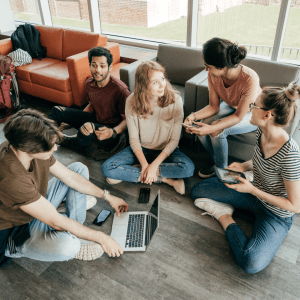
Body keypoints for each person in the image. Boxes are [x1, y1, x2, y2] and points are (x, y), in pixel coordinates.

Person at [191, 83, 300, 273]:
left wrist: (252, 190)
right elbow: (261, 160)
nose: (250, 109)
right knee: (198, 190)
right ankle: (232, 204)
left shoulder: (290, 155)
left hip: (275, 213)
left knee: (251, 262)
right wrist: (244, 165)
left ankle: (223, 215)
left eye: (254, 106)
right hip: (253, 192)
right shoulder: (262, 131)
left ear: (267, 115)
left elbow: (294, 206)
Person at [0, 109, 129, 268]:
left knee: (78, 169)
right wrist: (101, 237)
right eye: (50, 147)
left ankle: (72, 228)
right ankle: (17, 248)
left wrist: (108, 196)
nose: (55, 149)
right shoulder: (11, 177)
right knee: (69, 247)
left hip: (32, 204)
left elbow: (70, 177)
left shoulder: (25, 144)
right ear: (29, 149)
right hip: (17, 230)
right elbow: (55, 222)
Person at [101, 61, 195, 194]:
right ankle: (165, 179)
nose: (163, 85)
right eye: (155, 82)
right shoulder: (131, 101)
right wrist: (146, 166)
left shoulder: (176, 100)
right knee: (107, 168)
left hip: (166, 150)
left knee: (188, 169)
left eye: (162, 78)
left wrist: (154, 165)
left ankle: (136, 172)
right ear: (143, 85)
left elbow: (174, 141)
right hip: (142, 148)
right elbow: (133, 140)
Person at [184, 37, 261, 178]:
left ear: (222, 66)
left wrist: (212, 128)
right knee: (201, 127)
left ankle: (223, 171)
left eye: (208, 66)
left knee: (216, 130)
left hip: (253, 112)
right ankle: (217, 162)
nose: (206, 69)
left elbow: (239, 116)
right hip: (232, 105)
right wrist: (193, 116)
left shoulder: (249, 78)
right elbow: (214, 107)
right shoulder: (213, 75)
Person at [48, 47, 131, 151]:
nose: (97, 70)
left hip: (112, 131)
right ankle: (47, 139)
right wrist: (73, 121)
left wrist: (112, 132)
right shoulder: (89, 83)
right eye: (94, 65)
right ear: (90, 66)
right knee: (57, 110)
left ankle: (65, 141)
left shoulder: (120, 90)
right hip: (97, 120)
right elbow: (92, 105)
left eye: (102, 66)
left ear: (109, 68)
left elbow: (128, 120)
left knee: (87, 128)